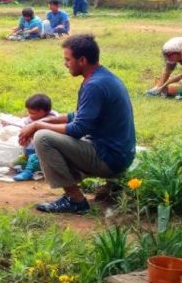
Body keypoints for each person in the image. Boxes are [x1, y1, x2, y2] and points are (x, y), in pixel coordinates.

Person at [19, 35, 136, 214]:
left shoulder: (94, 85)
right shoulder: (102, 77)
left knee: (43, 138)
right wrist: (44, 120)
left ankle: (75, 200)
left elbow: (77, 129)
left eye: (67, 59)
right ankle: (110, 186)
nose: (65, 63)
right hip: (119, 154)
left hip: (110, 158)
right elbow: (78, 116)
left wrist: (37, 127)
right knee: (48, 132)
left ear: (82, 60)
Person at [13, 94, 56, 182]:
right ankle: (31, 168)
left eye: (32, 113)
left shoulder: (53, 119)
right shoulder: (29, 120)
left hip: (48, 150)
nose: (29, 115)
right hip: (31, 148)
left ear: (42, 112)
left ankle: (28, 172)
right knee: (21, 161)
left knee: (34, 158)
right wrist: (23, 139)